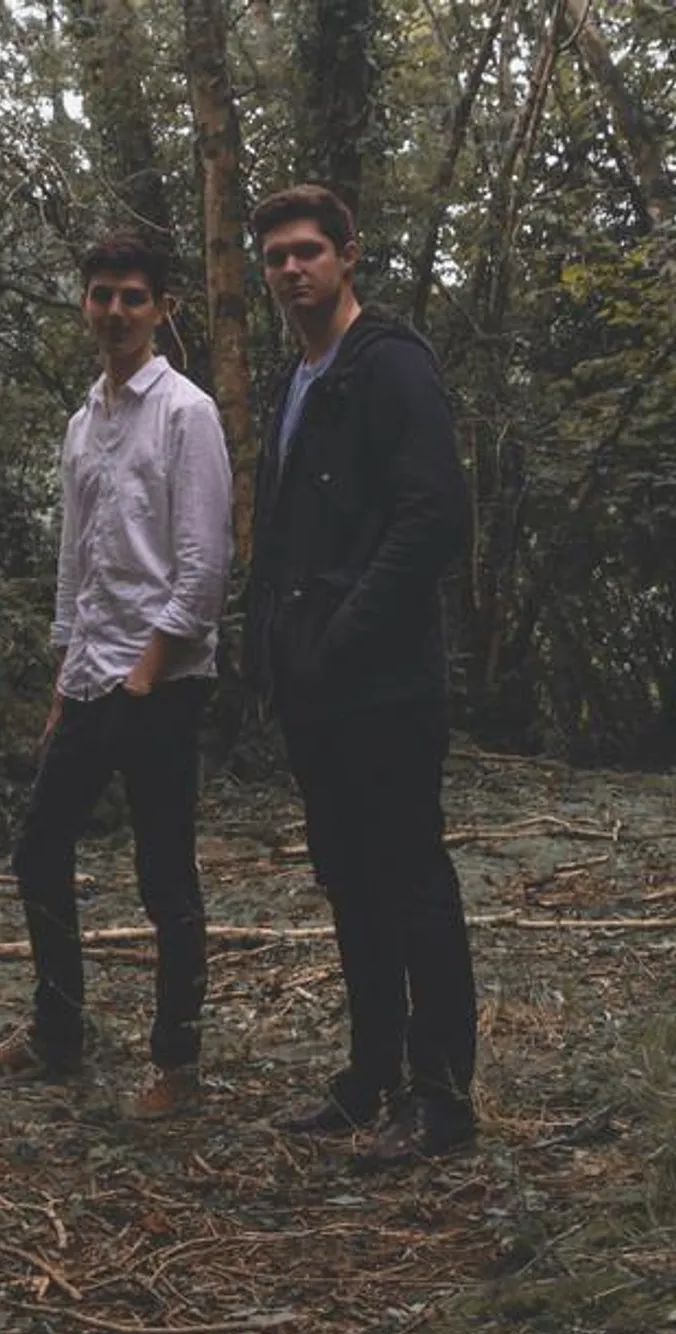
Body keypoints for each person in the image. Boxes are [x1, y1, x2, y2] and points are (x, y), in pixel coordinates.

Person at [0, 231, 233, 1120]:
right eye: (101, 295)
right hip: (94, 673)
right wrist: (71, 668)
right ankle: (58, 1031)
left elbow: (205, 565)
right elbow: (79, 559)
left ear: (162, 310)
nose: (115, 312)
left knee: (164, 875)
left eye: (133, 298)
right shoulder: (84, 422)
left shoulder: (187, 413)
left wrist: (147, 671)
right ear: (85, 303)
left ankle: (176, 1063)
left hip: (163, 680)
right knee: (38, 848)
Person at [244, 183, 478, 1165]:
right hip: (315, 685)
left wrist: (341, 631)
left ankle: (441, 1097)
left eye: (307, 251)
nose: (291, 269)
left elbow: (431, 516)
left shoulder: (389, 366)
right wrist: (272, 648)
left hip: (382, 681)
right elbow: (288, 532)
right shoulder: (295, 380)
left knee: (409, 874)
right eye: (275, 257)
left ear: (345, 255)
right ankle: (368, 1074)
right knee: (348, 879)